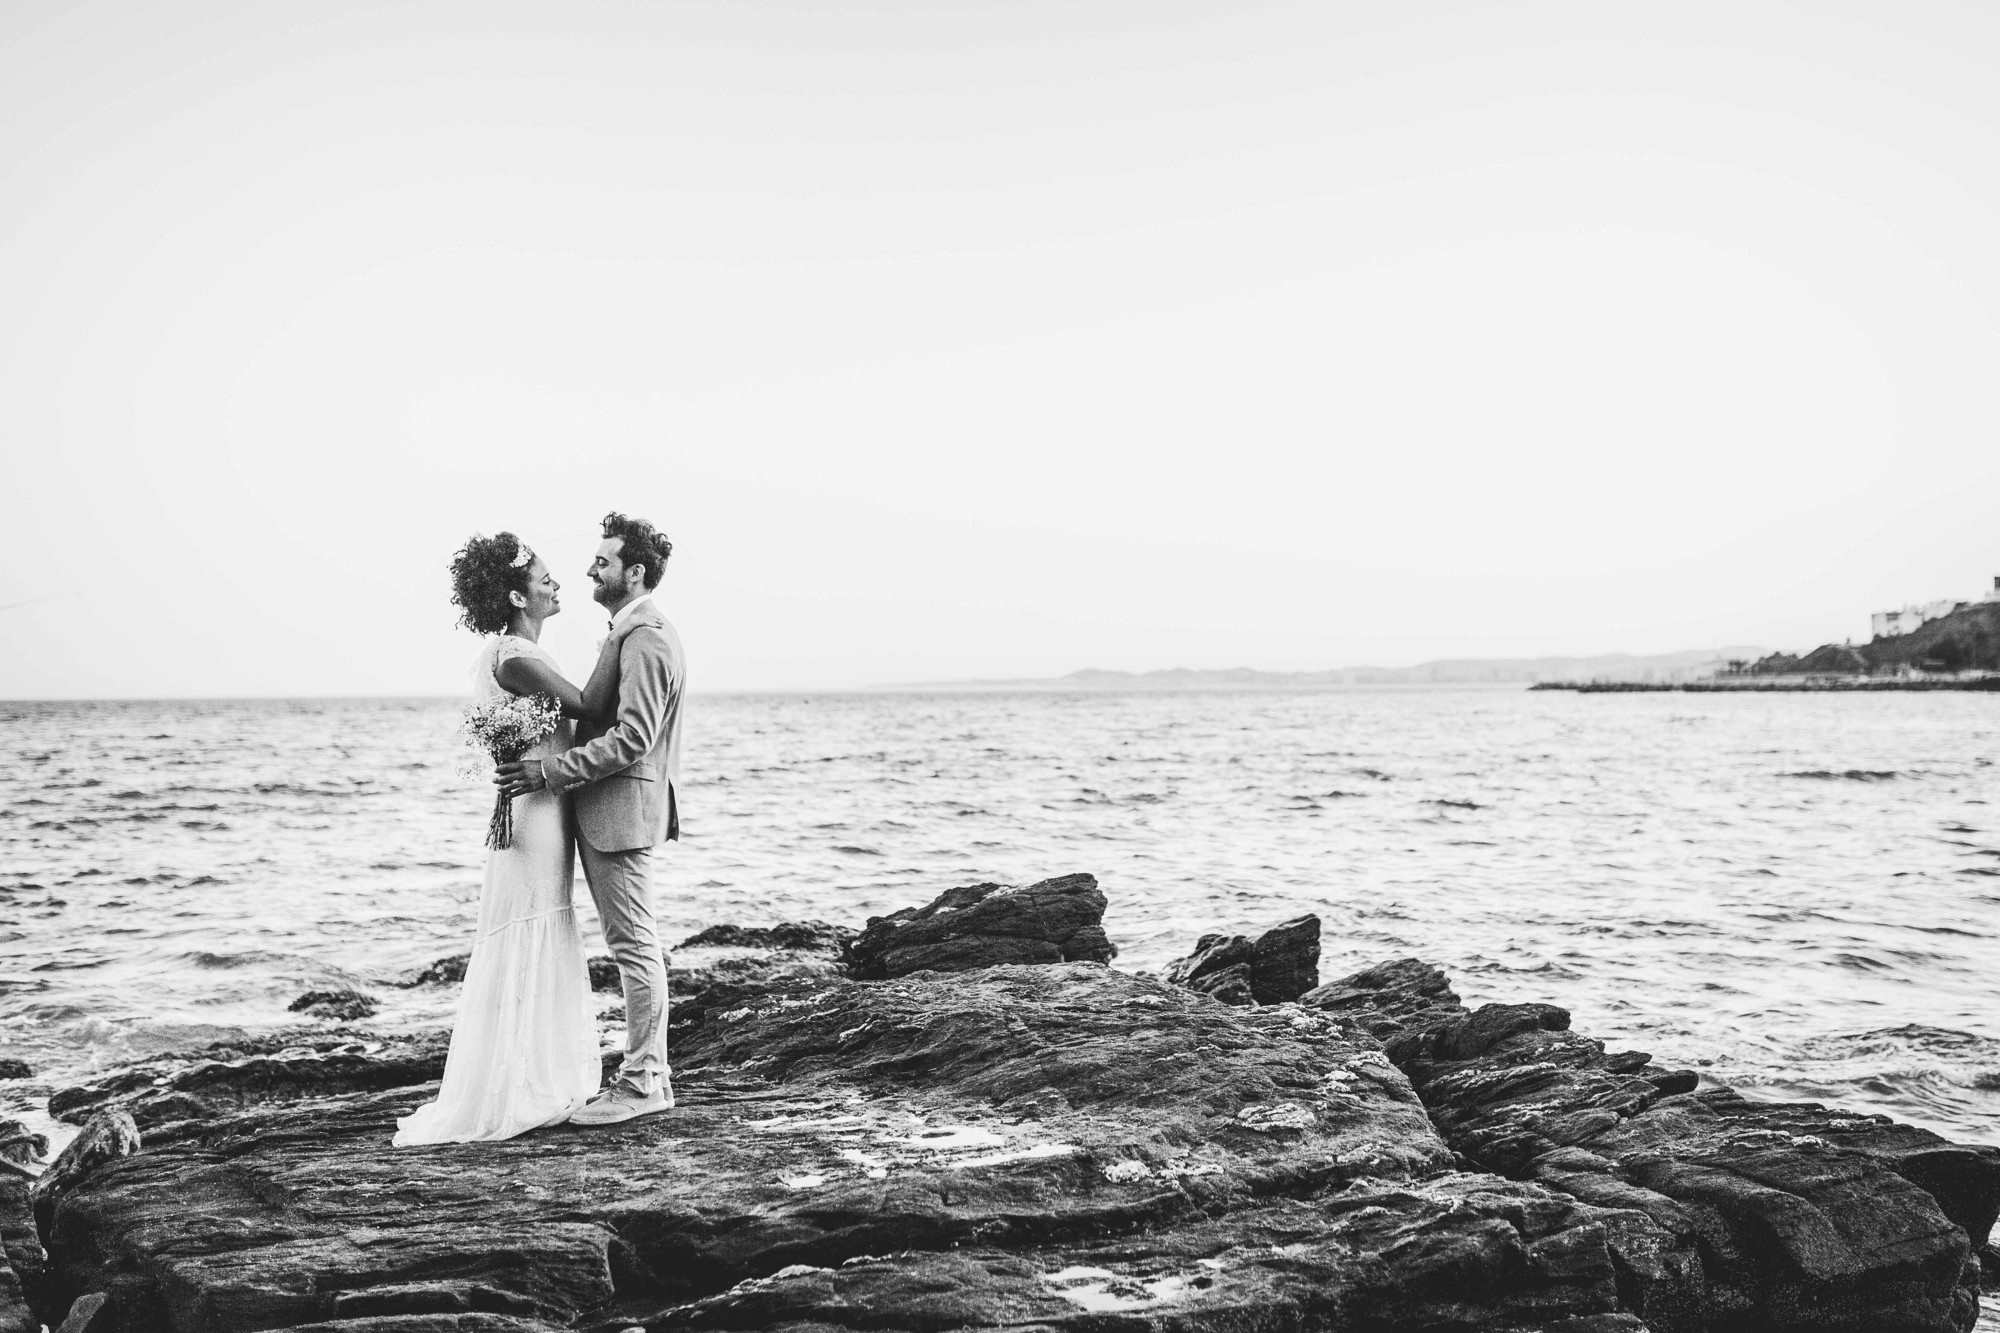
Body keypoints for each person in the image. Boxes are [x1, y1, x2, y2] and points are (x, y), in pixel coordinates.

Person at [394, 533, 604, 1145]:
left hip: (539, 808)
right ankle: (519, 1087)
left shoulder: (509, 655)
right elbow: (591, 703)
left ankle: (531, 1073)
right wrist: (619, 643)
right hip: (535, 815)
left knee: (539, 922)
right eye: (544, 579)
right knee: (533, 922)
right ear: (516, 594)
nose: (556, 585)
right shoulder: (516, 658)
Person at [497, 511, 685, 1125]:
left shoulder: (649, 637)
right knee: (630, 943)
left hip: (621, 812)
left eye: (602, 562)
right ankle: (641, 1075)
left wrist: (549, 773)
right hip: (607, 811)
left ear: (633, 571)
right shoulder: (626, 634)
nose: (588, 569)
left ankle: (644, 1084)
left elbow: (632, 737)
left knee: (635, 946)